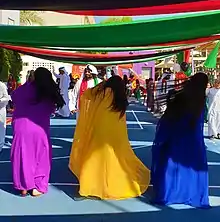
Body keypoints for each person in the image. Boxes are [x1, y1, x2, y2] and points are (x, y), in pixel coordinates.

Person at [69, 76, 150, 200]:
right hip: (116, 134)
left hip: (99, 131)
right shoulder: (121, 99)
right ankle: (108, 184)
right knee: (114, 159)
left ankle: (90, 186)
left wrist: (103, 84)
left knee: (94, 160)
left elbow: (88, 93)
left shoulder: (103, 93)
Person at [151, 72, 210, 208]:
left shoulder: (181, 97)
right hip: (193, 140)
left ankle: (170, 193)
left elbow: (168, 116)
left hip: (176, 136)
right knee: (191, 167)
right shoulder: (200, 100)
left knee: (173, 165)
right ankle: (188, 193)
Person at [11, 67, 65, 197]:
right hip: (40, 128)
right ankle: (37, 185)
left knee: (22, 155)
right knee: (41, 156)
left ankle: (23, 186)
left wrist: (28, 83)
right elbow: (52, 109)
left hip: (21, 126)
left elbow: (14, 98)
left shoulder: (24, 89)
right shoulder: (48, 92)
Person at [0, 81, 10, 152]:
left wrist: (0, 100)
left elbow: (6, 98)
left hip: (0, 110)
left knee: (1, 131)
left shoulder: (2, 85)